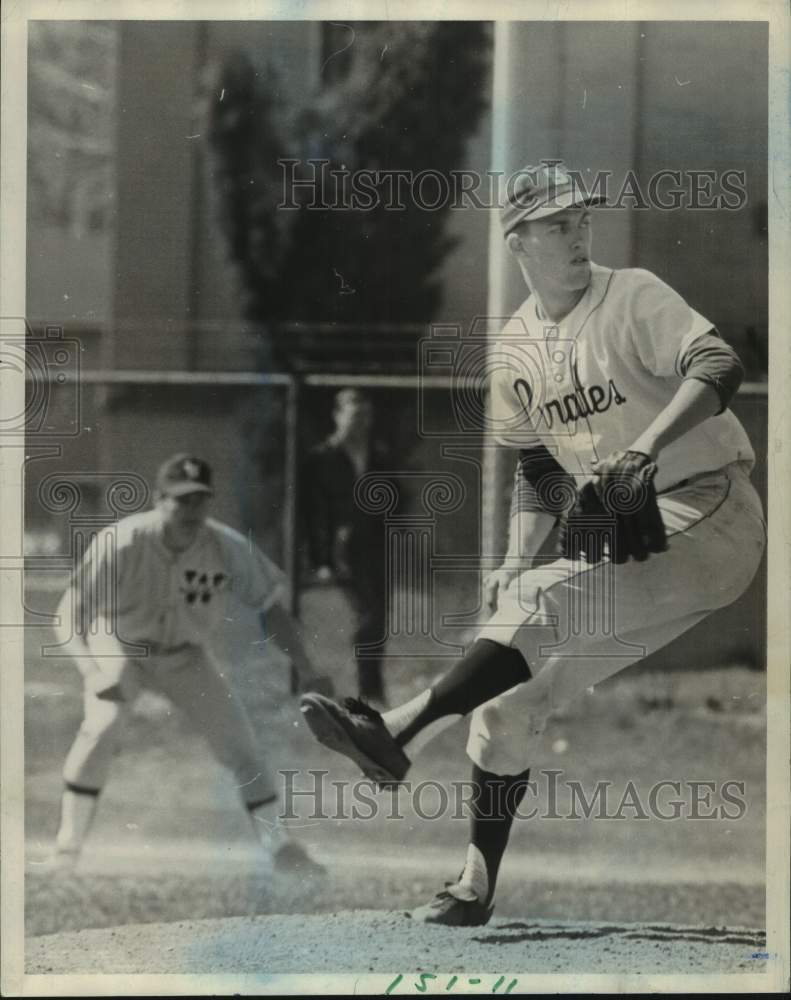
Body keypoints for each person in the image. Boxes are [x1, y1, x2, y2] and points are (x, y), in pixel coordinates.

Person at [298, 161, 766, 925]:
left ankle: (398, 731)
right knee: (508, 700)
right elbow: (541, 467)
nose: (578, 233)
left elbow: (720, 363)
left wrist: (642, 450)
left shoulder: (632, 294)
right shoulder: (513, 348)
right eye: (556, 224)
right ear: (517, 241)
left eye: (581, 218)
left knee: (541, 601)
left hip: (712, 515)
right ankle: (471, 888)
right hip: (642, 542)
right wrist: (517, 554)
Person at [48, 453, 332, 875]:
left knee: (242, 746)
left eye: (199, 499)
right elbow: (67, 615)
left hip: (186, 655)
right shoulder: (122, 542)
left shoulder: (225, 546)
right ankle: (66, 851)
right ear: (159, 500)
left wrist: (307, 667)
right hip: (122, 645)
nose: (190, 510)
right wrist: (91, 670)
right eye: (180, 500)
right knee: (102, 727)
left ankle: (280, 847)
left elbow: (271, 609)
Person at [305, 388, 391, 705]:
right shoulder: (322, 457)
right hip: (340, 552)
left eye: (366, 417)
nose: (360, 424)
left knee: (377, 617)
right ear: (338, 416)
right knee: (363, 616)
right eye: (354, 416)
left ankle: (372, 688)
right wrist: (322, 559)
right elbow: (314, 511)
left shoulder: (378, 454)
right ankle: (355, 689)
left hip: (376, 549)